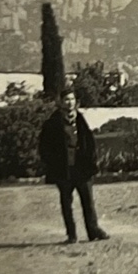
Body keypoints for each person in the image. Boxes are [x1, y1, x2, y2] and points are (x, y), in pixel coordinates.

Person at [38, 87, 109, 243]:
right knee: (66, 203)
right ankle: (71, 235)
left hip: (81, 168)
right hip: (63, 170)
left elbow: (89, 142)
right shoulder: (52, 123)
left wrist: (91, 160)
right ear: (60, 102)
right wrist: (52, 164)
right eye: (66, 100)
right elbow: (44, 146)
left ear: (76, 102)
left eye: (72, 99)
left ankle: (93, 231)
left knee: (88, 201)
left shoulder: (80, 120)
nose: (69, 103)